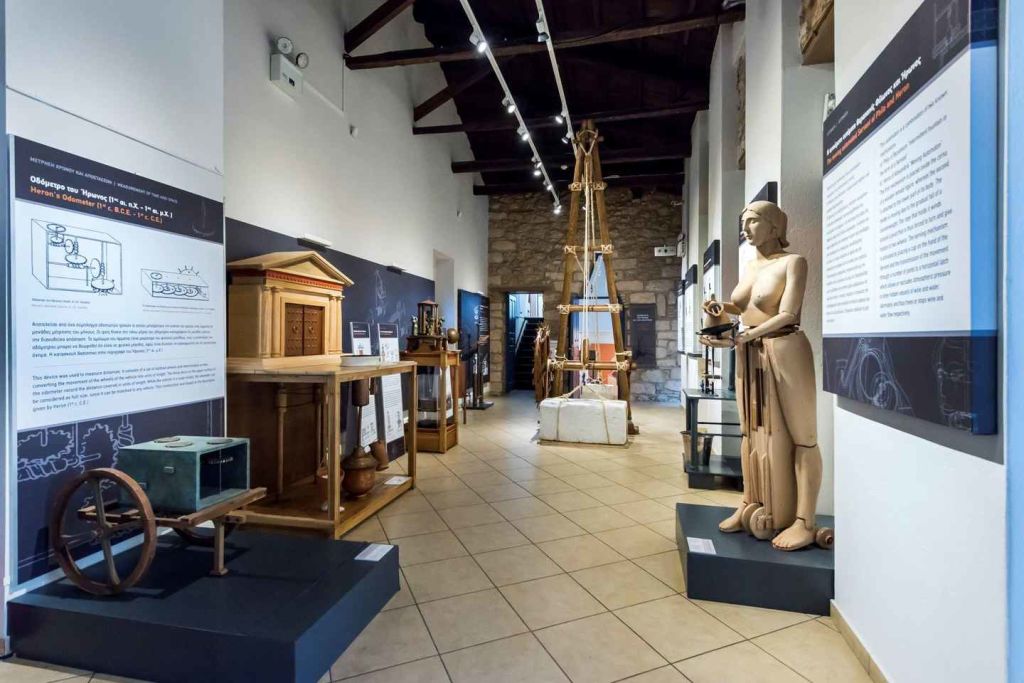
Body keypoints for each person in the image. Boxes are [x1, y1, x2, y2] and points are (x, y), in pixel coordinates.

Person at [699, 200, 822, 551]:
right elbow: (744, 307)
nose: (746, 228)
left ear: (774, 225)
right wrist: (720, 307)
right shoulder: (752, 265)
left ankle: (804, 521)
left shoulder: (793, 262)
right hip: (750, 350)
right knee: (749, 432)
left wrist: (748, 335)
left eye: (752, 221)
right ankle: (749, 501)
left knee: (803, 437)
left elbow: (788, 314)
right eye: (744, 222)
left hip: (785, 349)